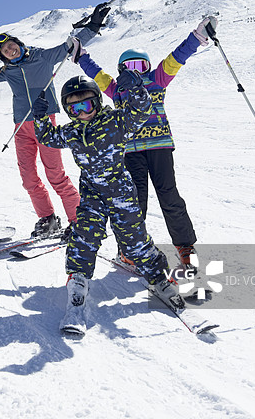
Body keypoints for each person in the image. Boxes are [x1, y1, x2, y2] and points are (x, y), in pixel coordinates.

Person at [0, 8, 105, 239]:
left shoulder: (43, 57)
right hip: (21, 128)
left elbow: (70, 46)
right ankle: (47, 219)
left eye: (10, 45)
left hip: (46, 124)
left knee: (56, 175)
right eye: (4, 51)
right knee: (29, 179)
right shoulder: (8, 71)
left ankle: (78, 221)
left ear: (18, 43)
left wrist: (93, 26)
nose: (10, 50)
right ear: (3, 57)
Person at [31, 72, 184, 320]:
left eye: (87, 104)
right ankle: (78, 280)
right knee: (84, 237)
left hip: (120, 191)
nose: (82, 111)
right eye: (74, 107)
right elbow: (47, 136)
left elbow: (141, 111)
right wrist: (40, 117)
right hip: (92, 194)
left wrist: (136, 88)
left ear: (97, 102)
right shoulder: (71, 132)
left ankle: (160, 279)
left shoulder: (116, 121)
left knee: (134, 240)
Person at [75, 16, 217, 269]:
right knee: (134, 200)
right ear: (121, 70)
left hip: (160, 148)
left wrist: (197, 36)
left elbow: (177, 58)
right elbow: (96, 74)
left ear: (148, 67)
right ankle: (130, 248)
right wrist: (80, 55)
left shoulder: (158, 79)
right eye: (128, 66)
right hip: (130, 152)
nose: (134, 71)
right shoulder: (116, 89)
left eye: (139, 65)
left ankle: (185, 246)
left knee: (169, 195)